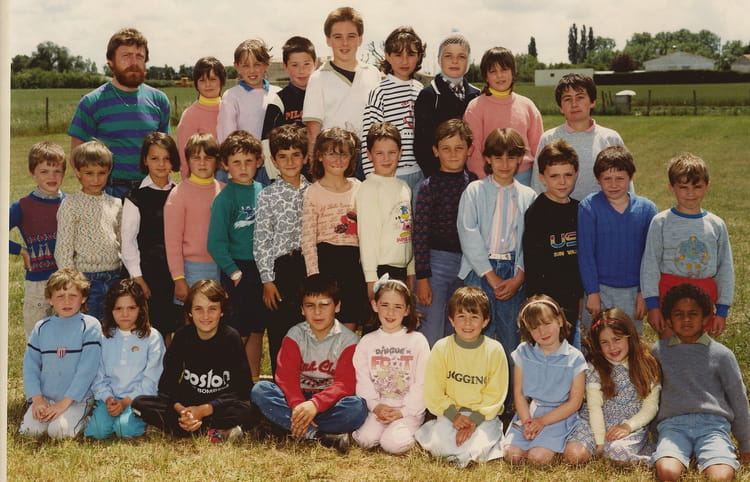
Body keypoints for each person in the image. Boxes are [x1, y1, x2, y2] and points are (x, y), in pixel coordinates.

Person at [251, 274, 368, 454]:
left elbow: (344, 384)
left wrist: (315, 405)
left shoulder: (349, 341)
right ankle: (319, 435)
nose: (317, 312)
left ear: (337, 306)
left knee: (357, 407)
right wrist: (299, 405)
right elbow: (286, 378)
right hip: (296, 400)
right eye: (310, 305)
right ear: (302, 309)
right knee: (260, 390)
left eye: (324, 305)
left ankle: (287, 427)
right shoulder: (295, 335)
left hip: (329, 403)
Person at [457, 128, 536, 390]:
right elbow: (468, 234)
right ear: (488, 159)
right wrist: (489, 275)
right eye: (498, 157)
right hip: (480, 270)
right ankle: (472, 395)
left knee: (510, 338)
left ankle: (507, 400)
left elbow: (530, 241)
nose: (504, 164)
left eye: (511, 157)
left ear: (520, 159)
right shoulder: (475, 191)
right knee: (476, 334)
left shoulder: (528, 196)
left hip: (513, 271)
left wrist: (519, 276)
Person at [131, 280, 258, 441]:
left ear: (222, 311)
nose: (205, 316)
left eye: (212, 309)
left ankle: (183, 429)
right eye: (198, 309)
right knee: (139, 404)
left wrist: (204, 410)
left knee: (251, 411)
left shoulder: (231, 337)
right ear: (190, 312)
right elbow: (166, 386)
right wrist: (183, 411)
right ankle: (213, 432)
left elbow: (242, 389)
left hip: (217, 406)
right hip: (188, 403)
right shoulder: (182, 337)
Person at [651, 283, 750, 481]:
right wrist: (654, 434)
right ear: (669, 320)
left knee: (721, 476)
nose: (686, 319)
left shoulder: (722, 355)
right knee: (667, 472)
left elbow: (738, 399)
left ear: (706, 318)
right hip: (673, 426)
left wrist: (746, 444)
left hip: (713, 426)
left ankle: (715, 457)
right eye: (678, 314)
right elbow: (650, 396)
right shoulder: (658, 352)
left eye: (693, 314)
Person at [68, 28, 170, 199]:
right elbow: (76, 157)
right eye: (126, 56)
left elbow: (165, 153)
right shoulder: (91, 102)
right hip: (109, 193)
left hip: (151, 191)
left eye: (139, 56)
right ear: (111, 61)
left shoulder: (159, 100)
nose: (134, 62)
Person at [640, 153, 734, 339]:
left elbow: (725, 268)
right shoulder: (661, 222)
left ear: (707, 186)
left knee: (699, 351)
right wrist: (653, 305)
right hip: (668, 295)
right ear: (671, 187)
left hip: (703, 297)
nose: (690, 193)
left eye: (697, 187)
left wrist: (722, 310)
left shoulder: (716, 225)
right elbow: (650, 264)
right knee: (670, 350)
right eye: (683, 187)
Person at [414, 287, 508, 467]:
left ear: (485, 321)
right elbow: (433, 391)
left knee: (476, 451)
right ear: (451, 320)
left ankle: (489, 437)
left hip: (483, 416)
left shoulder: (494, 350)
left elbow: (495, 394)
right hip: (451, 413)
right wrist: (454, 416)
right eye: (461, 316)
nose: (467, 323)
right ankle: (434, 430)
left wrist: (474, 420)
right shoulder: (441, 348)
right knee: (442, 449)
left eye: (474, 317)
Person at [565, 308, 661, 465]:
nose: (612, 347)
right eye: (605, 342)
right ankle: (598, 450)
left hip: (629, 425)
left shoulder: (647, 365)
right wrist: (599, 442)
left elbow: (650, 407)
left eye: (617, 339)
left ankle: (629, 455)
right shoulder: (595, 367)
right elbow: (594, 407)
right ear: (598, 345)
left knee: (618, 453)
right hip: (595, 422)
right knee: (573, 455)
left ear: (629, 336)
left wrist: (628, 426)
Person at [578, 145, 657, 333]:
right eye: (607, 179)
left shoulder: (647, 210)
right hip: (600, 291)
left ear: (631, 177)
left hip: (633, 292)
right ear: (598, 179)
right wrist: (592, 292)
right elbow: (586, 254)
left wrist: (644, 293)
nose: (613, 184)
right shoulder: (589, 207)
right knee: (595, 340)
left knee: (629, 341)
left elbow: (650, 257)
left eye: (620, 178)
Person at [207, 130, 266, 381]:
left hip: (262, 268)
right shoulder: (225, 198)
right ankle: (227, 381)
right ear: (225, 165)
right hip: (238, 270)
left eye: (248, 161)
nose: (243, 167)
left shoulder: (264, 190)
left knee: (256, 328)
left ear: (259, 161)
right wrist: (233, 271)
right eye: (236, 162)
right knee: (238, 330)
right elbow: (215, 243)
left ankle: (253, 382)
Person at [413, 119, 477, 347]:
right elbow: (420, 235)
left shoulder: (474, 184)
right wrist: (422, 279)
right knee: (431, 329)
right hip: (436, 266)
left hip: (467, 265)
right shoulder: (428, 187)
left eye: (459, 148)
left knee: (458, 328)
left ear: (470, 150)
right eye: (446, 148)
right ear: (435, 151)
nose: (453, 154)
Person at [254, 124, 311, 376]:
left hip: (309, 268)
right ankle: (281, 388)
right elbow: (262, 240)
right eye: (283, 156)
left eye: (296, 155)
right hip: (281, 270)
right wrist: (267, 280)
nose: (290, 162)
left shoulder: (314, 191)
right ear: (274, 161)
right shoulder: (267, 195)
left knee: (308, 330)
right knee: (281, 332)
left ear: (306, 157)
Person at [503, 295, 586, 465]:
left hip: (558, 416)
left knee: (538, 457)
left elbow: (575, 402)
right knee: (512, 455)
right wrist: (527, 422)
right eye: (535, 328)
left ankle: (559, 445)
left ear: (560, 321)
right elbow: (519, 393)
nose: (542, 332)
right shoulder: (524, 352)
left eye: (547, 324)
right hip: (530, 413)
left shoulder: (574, 358)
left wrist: (542, 422)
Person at [301, 127, 370, 331]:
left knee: (349, 319)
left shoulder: (359, 187)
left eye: (344, 154)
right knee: (327, 322)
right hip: (327, 261)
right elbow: (308, 239)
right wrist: (314, 277)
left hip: (353, 262)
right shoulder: (313, 192)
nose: (338, 160)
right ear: (320, 156)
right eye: (332, 153)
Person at [20, 268, 102, 439]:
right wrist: (38, 400)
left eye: (73, 295)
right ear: (49, 300)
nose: (67, 301)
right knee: (30, 432)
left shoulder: (90, 325)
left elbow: (87, 371)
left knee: (58, 432)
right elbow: (30, 367)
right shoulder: (41, 327)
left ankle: (87, 419)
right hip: (46, 397)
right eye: (60, 296)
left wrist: (63, 404)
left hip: (77, 399)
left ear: (83, 298)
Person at [352, 275, 429, 454]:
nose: (390, 312)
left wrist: (404, 412)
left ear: (407, 310)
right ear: (375, 305)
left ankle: (416, 430)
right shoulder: (367, 341)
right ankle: (380, 427)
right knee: (365, 440)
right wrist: (375, 406)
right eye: (385, 305)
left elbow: (423, 382)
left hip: (408, 411)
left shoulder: (417, 341)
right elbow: (363, 380)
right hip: (379, 409)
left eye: (398, 307)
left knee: (391, 444)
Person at [84, 279, 165, 439]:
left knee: (124, 429)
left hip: (138, 399)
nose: (125, 314)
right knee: (97, 432)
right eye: (119, 308)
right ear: (111, 310)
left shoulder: (152, 337)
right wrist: (108, 399)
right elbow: (98, 375)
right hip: (109, 399)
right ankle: (94, 417)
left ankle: (145, 419)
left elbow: (152, 379)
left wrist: (126, 402)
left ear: (141, 308)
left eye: (131, 308)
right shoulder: (103, 337)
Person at [121, 132, 181, 346]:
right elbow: (128, 240)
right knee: (146, 328)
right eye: (155, 158)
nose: (161, 164)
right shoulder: (136, 196)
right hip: (146, 273)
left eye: (166, 158)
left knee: (169, 326)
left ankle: (168, 365)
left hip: (173, 273)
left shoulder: (179, 193)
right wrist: (138, 278)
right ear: (145, 160)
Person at [522, 139, 582, 345]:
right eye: (554, 176)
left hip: (574, 296)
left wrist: (581, 295)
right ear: (542, 177)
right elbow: (533, 264)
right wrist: (539, 304)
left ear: (576, 174)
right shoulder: (536, 213)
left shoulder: (580, 210)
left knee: (571, 348)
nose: (562, 182)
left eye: (568, 175)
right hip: (547, 301)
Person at [302, 6, 381, 165]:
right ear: (328, 40)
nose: (345, 43)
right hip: (334, 159)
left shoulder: (373, 73)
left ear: (360, 39)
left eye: (351, 36)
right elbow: (313, 131)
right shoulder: (318, 78)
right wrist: (318, 169)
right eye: (338, 37)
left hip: (370, 158)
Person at [54, 140, 122, 322]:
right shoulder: (71, 204)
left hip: (114, 276)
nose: (96, 179)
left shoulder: (115, 203)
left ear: (109, 171)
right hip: (86, 280)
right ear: (78, 172)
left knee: (112, 326)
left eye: (101, 173)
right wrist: (73, 287)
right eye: (89, 173)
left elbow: (122, 242)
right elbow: (63, 249)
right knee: (88, 326)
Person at [531, 73, 626, 201]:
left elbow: (625, 182)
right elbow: (538, 184)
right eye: (567, 99)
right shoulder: (549, 138)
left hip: (602, 211)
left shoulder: (610, 138)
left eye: (580, 97)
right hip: (560, 210)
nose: (574, 104)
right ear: (560, 107)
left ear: (592, 102)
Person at [10, 141, 67, 338]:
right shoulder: (22, 206)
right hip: (37, 283)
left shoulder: (70, 203)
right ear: (32, 172)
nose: (52, 177)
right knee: (36, 336)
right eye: (44, 171)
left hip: (67, 281)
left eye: (57, 171)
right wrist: (21, 250)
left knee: (65, 335)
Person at [463, 47, 543, 185]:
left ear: (513, 72)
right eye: (493, 71)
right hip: (489, 178)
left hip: (525, 178)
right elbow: (473, 153)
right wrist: (484, 184)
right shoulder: (475, 107)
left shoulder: (527, 106)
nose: (499, 75)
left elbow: (539, 148)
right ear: (486, 76)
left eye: (504, 70)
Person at [360, 26, 425, 192]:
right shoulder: (379, 92)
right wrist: (373, 179)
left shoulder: (420, 89)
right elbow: (369, 138)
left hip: (420, 172)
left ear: (418, 57)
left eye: (411, 54)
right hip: (391, 175)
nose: (405, 61)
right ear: (388, 56)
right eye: (398, 54)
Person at [356, 123, 414, 301]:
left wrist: (411, 270)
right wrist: (371, 278)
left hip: (402, 268)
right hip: (380, 270)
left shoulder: (404, 187)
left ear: (400, 153)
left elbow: (408, 230)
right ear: (369, 155)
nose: (386, 158)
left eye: (392, 152)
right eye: (379, 153)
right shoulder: (369, 188)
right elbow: (368, 237)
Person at [164, 133, 224, 305]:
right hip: (192, 269)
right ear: (188, 161)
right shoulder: (179, 194)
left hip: (224, 267)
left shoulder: (225, 191)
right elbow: (173, 242)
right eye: (196, 158)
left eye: (208, 158)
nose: (202, 163)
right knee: (194, 314)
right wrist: (179, 278)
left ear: (217, 161)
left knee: (218, 313)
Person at [414, 33, 480, 178]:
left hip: (472, 178)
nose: (455, 61)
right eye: (448, 56)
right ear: (439, 59)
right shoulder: (429, 95)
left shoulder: (477, 96)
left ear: (469, 61)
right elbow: (421, 145)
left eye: (461, 57)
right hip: (440, 178)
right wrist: (437, 178)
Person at [261, 36, 317, 181]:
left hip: (322, 174)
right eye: (295, 65)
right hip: (290, 177)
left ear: (315, 63)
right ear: (285, 67)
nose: (301, 71)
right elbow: (266, 142)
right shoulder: (278, 101)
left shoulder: (324, 96)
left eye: (306, 64)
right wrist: (275, 178)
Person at [218, 39, 280, 143]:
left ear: (266, 65)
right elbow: (227, 137)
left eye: (257, 64)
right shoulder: (231, 96)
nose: (252, 70)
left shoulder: (278, 94)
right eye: (246, 65)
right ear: (237, 67)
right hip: (243, 153)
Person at [176, 56, 227, 180]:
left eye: (213, 79)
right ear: (196, 84)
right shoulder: (190, 115)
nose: (208, 85)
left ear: (221, 81)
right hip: (204, 180)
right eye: (202, 80)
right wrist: (189, 185)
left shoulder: (231, 108)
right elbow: (185, 158)